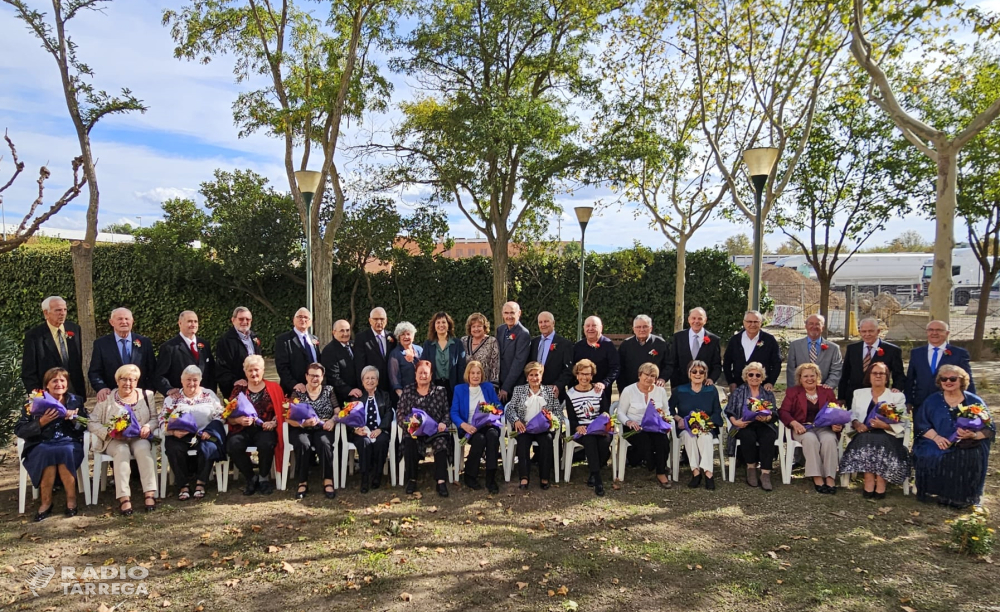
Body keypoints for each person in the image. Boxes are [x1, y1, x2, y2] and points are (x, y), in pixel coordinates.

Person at [913, 365, 994, 509]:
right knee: (934, 452)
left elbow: (989, 427)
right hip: (936, 440)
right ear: (940, 381)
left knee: (966, 455)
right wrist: (937, 438)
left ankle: (963, 497)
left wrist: (974, 435)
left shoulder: (974, 401)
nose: (948, 381)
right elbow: (921, 425)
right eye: (944, 379)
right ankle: (941, 494)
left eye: (953, 378)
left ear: (962, 381)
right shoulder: (932, 401)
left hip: (969, 442)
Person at [15, 367, 87, 520]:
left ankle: (71, 499)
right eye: (54, 381)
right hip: (41, 442)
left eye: (62, 380)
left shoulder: (75, 401)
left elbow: (86, 425)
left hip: (68, 441)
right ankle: (46, 502)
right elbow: (20, 430)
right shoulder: (34, 401)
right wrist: (41, 422)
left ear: (67, 385)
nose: (58, 384)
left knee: (65, 451)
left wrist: (74, 419)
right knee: (46, 451)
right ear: (46, 385)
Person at [88, 364, 158, 515]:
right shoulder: (106, 398)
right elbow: (91, 422)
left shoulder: (147, 395)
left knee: (143, 449)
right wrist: (109, 432)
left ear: (137, 381)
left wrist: (148, 426)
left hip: (138, 437)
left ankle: (149, 493)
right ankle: (124, 498)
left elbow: (154, 419)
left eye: (132, 380)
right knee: (122, 451)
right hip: (115, 440)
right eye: (124, 379)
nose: (128, 383)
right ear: (117, 380)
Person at [839, 362, 910, 499]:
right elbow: (852, 414)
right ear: (869, 376)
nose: (878, 376)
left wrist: (884, 426)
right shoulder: (859, 393)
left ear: (887, 377)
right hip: (863, 433)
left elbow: (903, 421)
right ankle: (869, 480)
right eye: (874, 373)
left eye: (882, 373)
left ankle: (881, 482)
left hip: (888, 434)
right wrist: (856, 423)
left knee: (881, 440)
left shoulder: (897, 397)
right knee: (866, 439)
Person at [160, 365, 225, 501]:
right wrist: (172, 432)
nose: (191, 383)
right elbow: (162, 419)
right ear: (181, 381)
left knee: (209, 447)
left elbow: (221, 414)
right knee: (174, 448)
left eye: (195, 380)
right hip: (180, 435)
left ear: (200, 380)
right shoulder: (173, 398)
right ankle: (183, 485)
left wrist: (210, 430)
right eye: (188, 380)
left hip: (203, 434)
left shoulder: (209, 394)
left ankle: (201, 483)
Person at [227, 355, 285, 496]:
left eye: (256, 370)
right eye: (250, 370)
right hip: (242, 428)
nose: (253, 374)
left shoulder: (274, 388)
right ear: (245, 372)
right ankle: (251, 477)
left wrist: (274, 422)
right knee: (233, 445)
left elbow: (282, 410)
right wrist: (238, 420)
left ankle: (263, 478)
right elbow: (228, 414)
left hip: (265, 429)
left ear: (263, 370)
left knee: (267, 443)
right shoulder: (238, 390)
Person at [781, 363, 842, 494]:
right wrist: (794, 423)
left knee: (830, 440)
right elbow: (783, 412)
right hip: (802, 428)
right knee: (810, 439)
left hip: (823, 427)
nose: (809, 379)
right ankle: (817, 477)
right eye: (805, 376)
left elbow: (835, 411)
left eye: (812, 376)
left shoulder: (827, 391)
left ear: (818, 376)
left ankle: (830, 478)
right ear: (800, 378)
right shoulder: (793, 392)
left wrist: (836, 424)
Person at [397, 360, 452, 497]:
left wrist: (444, 423)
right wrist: (409, 424)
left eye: (426, 373)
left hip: (434, 431)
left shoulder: (440, 391)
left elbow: (446, 412)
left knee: (441, 442)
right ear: (415, 374)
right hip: (415, 431)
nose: (423, 376)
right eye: (420, 373)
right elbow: (400, 413)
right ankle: (412, 479)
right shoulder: (408, 390)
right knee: (409, 441)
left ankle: (441, 481)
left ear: (431, 375)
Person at [506, 361, 562, 490]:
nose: (534, 378)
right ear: (527, 377)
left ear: (541, 376)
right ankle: (524, 477)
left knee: (547, 440)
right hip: (524, 427)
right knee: (523, 441)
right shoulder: (518, 390)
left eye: (537, 375)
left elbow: (558, 412)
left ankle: (545, 476)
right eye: (531, 375)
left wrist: (551, 421)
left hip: (543, 429)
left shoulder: (549, 391)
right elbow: (510, 409)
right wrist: (516, 421)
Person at [669, 361, 724, 490]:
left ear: (705, 375)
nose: (697, 374)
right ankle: (695, 472)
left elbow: (717, 411)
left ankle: (708, 473)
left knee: (705, 437)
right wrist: (678, 419)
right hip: (686, 427)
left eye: (701, 372)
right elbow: (669, 409)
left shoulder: (711, 390)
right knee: (690, 437)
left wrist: (706, 423)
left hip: (706, 426)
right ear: (689, 374)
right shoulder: (680, 390)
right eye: (694, 371)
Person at [617, 362, 672, 489]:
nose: (649, 378)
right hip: (634, 426)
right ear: (639, 375)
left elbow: (667, 411)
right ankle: (652, 463)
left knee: (662, 441)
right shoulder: (629, 390)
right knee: (644, 441)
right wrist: (629, 422)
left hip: (654, 426)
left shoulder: (660, 391)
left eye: (653, 376)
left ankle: (660, 473)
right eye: (646, 374)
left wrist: (665, 420)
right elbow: (620, 412)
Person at [725, 362, 779, 491]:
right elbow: (729, 411)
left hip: (763, 424)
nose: (754, 377)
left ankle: (765, 473)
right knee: (747, 435)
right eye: (751, 374)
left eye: (758, 375)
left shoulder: (768, 393)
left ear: (762, 377)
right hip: (743, 424)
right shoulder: (738, 392)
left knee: (769, 436)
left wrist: (768, 417)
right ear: (746, 376)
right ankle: (751, 468)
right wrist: (735, 422)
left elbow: (775, 413)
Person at [451, 360, 503, 494]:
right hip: (469, 427)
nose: (475, 376)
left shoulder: (488, 387)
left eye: (478, 373)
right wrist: (464, 425)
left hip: (487, 424)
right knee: (479, 439)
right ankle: (470, 475)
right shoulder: (459, 389)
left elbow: (499, 407)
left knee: (492, 435)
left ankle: (491, 476)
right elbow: (454, 412)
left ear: (482, 375)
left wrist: (493, 416)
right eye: (472, 373)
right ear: (467, 374)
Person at [288, 362, 338, 500]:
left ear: (322, 377)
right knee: (303, 444)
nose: (314, 379)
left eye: (317, 376)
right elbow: (287, 417)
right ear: (306, 376)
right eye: (311, 375)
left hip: (323, 428)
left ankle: (328, 480)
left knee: (324, 442)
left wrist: (332, 421)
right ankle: (302, 482)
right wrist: (304, 423)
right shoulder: (298, 392)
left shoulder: (329, 390)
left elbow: (338, 411)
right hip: (301, 428)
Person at [905, 320, 974, 414]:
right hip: (921, 403)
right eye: (931, 330)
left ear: (947, 333)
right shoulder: (916, 353)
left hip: (950, 404)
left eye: (939, 330)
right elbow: (910, 379)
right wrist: (908, 400)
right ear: (927, 332)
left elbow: (967, 379)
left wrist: (971, 402)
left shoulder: (959, 354)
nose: (934, 333)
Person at [22, 296, 85, 396]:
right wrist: (39, 397)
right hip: (48, 394)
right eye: (58, 310)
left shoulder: (75, 329)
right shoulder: (34, 336)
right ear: (46, 313)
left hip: (75, 391)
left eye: (65, 309)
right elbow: (28, 372)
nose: (62, 313)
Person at [89, 307, 156, 401]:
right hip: (111, 397)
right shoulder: (101, 344)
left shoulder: (144, 342)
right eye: (120, 319)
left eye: (127, 319)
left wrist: (148, 391)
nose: (124, 322)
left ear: (132, 321)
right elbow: (95, 372)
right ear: (112, 322)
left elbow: (152, 370)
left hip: (139, 397)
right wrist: (101, 388)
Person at [565, 359, 610, 496]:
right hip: (582, 428)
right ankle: (597, 478)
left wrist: (602, 424)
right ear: (577, 375)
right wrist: (577, 426)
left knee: (605, 442)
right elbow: (571, 417)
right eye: (582, 374)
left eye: (588, 374)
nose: (585, 377)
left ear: (592, 376)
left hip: (599, 427)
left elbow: (605, 411)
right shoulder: (570, 394)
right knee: (590, 440)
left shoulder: (598, 391)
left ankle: (593, 469)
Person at [839, 318, 905, 410]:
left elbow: (899, 375)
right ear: (859, 332)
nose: (867, 334)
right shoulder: (852, 349)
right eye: (864, 331)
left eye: (870, 331)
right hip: (854, 397)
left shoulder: (892, 350)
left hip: (880, 399)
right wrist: (841, 397)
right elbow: (845, 374)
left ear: (878, 331)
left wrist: (896, 390)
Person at [347, 366, 393, 493]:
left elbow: (389, 413)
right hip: (361, 431)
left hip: (379, 430)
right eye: (367, 378)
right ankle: (365, 478)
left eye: (373, 378)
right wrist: (356, 429)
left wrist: (381, 429)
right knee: (364, 442)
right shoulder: (357, 397)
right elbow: (349, 415)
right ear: (362, 381)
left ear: (377, 381)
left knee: (381, 441)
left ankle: (377, 476)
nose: (370, 381)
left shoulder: (384, 395)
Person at [155, 310, 216, 397]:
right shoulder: (169, 347)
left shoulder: (204, 345)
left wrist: (211, 393)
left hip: (203, 398)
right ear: (180, 323)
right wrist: (168, 390)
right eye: (189, 321)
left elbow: (211, 372)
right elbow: (159, 375)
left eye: (195, 321)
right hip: (180, 399)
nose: (193, 324)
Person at [723, 310, 781, 393]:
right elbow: (727, 363)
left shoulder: (769, 340)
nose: (752, 324)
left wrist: (770, 382)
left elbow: (777, 363)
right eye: (749, 321)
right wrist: (731, 382)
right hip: (738, 387)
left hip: (761, 388)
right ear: (744, 322)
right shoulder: (735, 340)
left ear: (760, 323)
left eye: (756, 322)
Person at [665, 307, 722, 391]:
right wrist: (675, 386)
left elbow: (716, 365)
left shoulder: (714, 340)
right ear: (688, 319)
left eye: (700, 318)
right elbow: (673, 362)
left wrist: (711, 379)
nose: (696, 321)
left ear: (705, 320)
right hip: (681, 386)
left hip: (704, 387)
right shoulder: (678, 337)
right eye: (693, 318)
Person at [572, 316, 620, 410]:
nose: (590, 328)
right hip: (580, 393)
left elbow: (615, 368)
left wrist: (604, 383)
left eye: (594, 325)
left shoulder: (608, 345)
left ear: (601, 328)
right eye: (587, 326)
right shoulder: (578, 347)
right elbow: (572, 369)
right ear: (584, 328)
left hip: (602, 393)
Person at [215, 306, 262, 400]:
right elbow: (222, 368)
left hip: (255, 387)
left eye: (247, 319)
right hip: (237, 390)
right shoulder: (225, 341)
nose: (245, 322)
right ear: (233, 320)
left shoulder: (254, 338)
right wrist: (234, 381)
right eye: (241, 319)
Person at [785, 314, 842, 389]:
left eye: (817, 324)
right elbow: (791, 370)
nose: (814, 327)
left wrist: (827, 386)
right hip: (800, 391)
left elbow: (836, 370)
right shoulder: (795, 346)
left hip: (824, 391)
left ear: (823, 327)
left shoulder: (834, 348)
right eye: (811, 324)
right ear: (806, 326)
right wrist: (794, 390)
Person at [616, 314, 668, 393]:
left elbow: (668, 364)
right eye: (638, 327)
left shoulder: (660, 343)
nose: (642, 329)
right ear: (633, 329)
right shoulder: (626, 345)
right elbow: (620, 368)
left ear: (651, 328)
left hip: (654, 388)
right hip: (631, 389)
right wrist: (623, 390)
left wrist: (663, 378)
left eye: (645, 326)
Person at [421, 312, 466, 400]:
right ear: (434, 326)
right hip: (433, 386)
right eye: (438, 322)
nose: (441, 325)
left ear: (448, 325)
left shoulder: (457, 343)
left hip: (453, 387)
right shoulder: (428, 344)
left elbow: (461, 368)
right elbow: (424, 366)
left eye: (444, 322)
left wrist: (461, 388)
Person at [529, 311, 574, 398]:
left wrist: (557, 386)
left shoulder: (564, 344)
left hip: (554, 393)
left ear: (553, 323)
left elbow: (568, 370)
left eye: (546, 321)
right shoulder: (533, 343)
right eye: (540, 322)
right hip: (534, 392)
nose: (543, 324)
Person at [275, 308, 319, 395]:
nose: (303, 319)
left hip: (314, 389)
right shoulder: (283, 339)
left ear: (310, 322)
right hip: (294, 390)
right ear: (294, 320)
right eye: (300, 317)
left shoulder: (314, 339)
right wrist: (294, 384)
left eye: (306, 317)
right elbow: (282, 367)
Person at [355, 307, 396, 395]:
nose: (379, 322)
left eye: (382, 319)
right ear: (370, 320)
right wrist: (363, 387)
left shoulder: (392, 337)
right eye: (375, 319)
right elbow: (359, 365)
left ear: (386, 320)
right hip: (372, 387)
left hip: (391, 385)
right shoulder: (361, 338)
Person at [496, 301, 531, 403]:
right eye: (506, 313)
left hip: (515, 386)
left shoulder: (523, 334)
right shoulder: (500, 329)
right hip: (500, 383)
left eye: (512, 313)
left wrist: (506, 387)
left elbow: (518, 362)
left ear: (519, 313)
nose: (509, 316)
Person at [322, 319, 362, 405]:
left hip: (359, 394)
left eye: (347, 330)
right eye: (342, 331)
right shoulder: (329, 351)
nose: (345, 334)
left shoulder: (353, 345)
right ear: (334, 332)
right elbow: (333, 377)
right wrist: (349, 390)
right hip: (342, 398)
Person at [461, 313, 500, 387]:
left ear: (484, 328)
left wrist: (494, 386)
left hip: (485, 385)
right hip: (467, 385)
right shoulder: (464, 341)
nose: (476, 329)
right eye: (473, 326)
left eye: (479, 326)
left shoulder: (491, 341)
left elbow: (495, 365)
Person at [389, 322, 423, 398]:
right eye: (402, 334)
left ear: (413, 336)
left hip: (422, 392)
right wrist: (401, 395)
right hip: (406, 394)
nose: (406, 337)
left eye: (408, 334)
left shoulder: (420, 350)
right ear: (398, 337)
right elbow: (394, 378)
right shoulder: (395, 354)